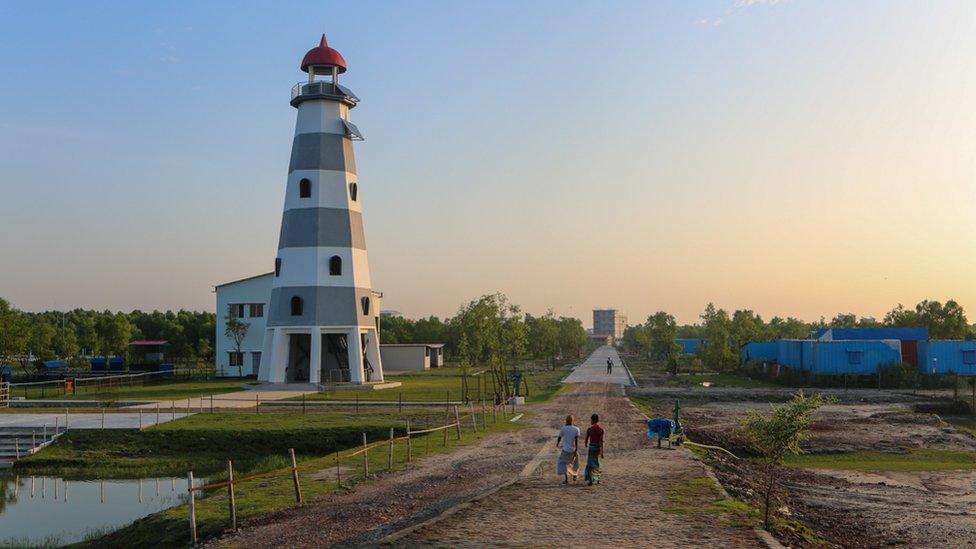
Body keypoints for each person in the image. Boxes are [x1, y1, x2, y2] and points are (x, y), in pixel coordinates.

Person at [555, 415, 580, 484]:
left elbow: (559, 437)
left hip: (565, 450)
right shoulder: (576, 429)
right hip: (573, 449)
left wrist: (557, 443)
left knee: (563, 463)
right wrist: (576, 449)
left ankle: (566, 479)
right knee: (575, 462)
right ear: (573, 421)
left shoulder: (563, 428)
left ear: (566, 421)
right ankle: (574, 475)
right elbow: (576, 441)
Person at [583, 413, 605, 485]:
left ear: (592, 420)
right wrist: (602, 452)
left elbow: (586, 439)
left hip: (591, 447)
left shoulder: (589, 429)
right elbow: (601, 441)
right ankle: (597, 479)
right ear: (598, 420)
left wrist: (586, 444)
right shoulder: (601, 430)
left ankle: (590, 480)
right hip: (597, 448)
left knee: (590, 464)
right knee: (597, 463)